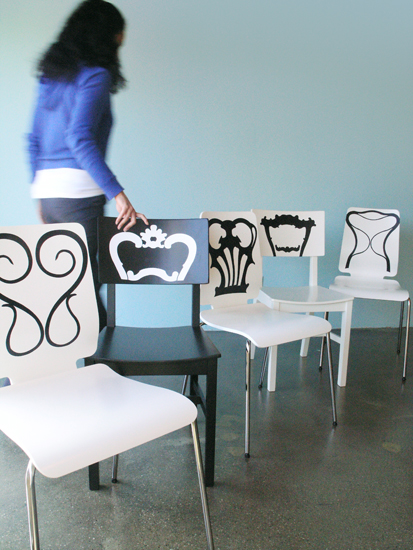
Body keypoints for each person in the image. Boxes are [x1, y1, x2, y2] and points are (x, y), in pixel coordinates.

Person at [27, 0, 148, 330]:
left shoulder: (52, 76)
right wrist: (118, 194)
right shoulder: (95, 75)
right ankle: (103, 357)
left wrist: (39, 195)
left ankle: (79, 354)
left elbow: (32, 139)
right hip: (79, 196)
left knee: (67, 286)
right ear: (107, 37)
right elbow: (79, 137)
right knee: (84, 291)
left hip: (50, 196)